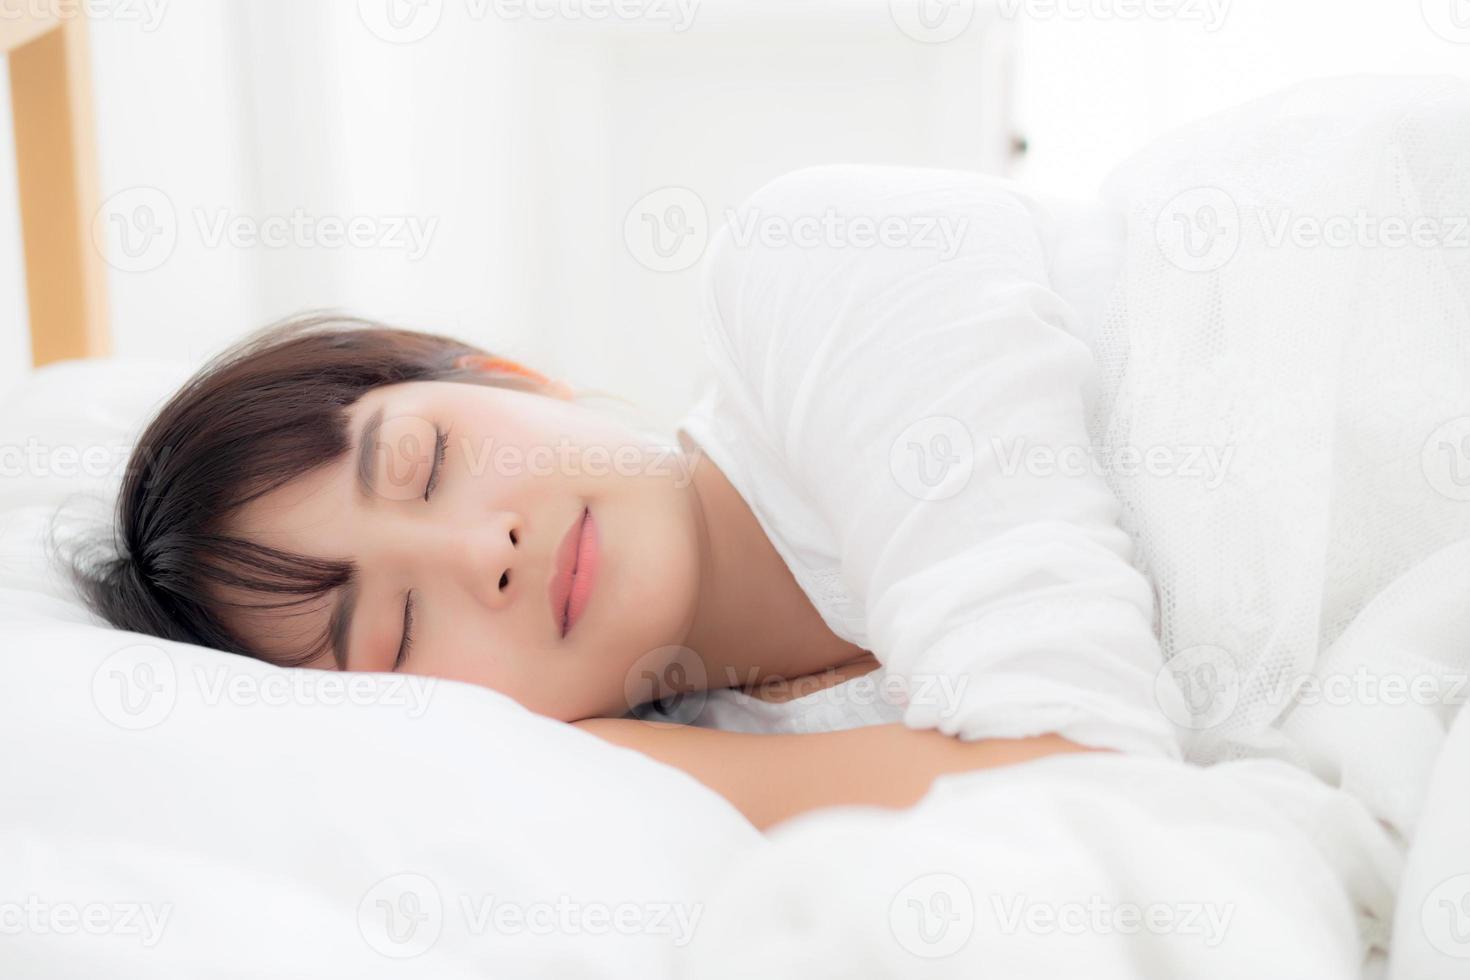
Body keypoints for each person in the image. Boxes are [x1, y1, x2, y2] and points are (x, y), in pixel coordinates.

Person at [69, 165, 1176, 830]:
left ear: (498, 371)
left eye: (428, 460)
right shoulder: (726, 769)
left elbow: (1099, 795)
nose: (481, 551)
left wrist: (655, 761)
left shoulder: (813, 272)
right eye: (398, 629)